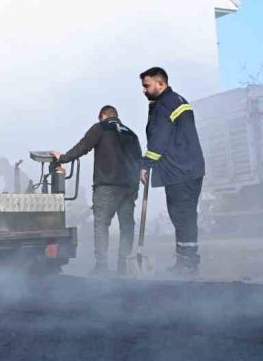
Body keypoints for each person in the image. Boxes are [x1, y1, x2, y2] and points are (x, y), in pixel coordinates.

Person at [52, 105, 142, 276]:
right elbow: (138, 160)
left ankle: (102, 266)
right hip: (129, 188)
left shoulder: (100, 127)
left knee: (101, 225)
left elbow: (83, 147)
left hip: (107, 186)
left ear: (102, 116)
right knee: (127, 226)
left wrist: (62, 158)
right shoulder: (131, 133)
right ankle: (123, 266)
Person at [139, 67, 206, 275]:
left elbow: (159, 139)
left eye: (147, 85)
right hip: (192, 168)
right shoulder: (180, 100)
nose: (144, 90)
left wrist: (145, 164)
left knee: (180, 216)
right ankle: (188, 260)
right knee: (187, 216)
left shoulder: (163, 105)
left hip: (178, 171)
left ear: (160, 84)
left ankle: (187, 263)